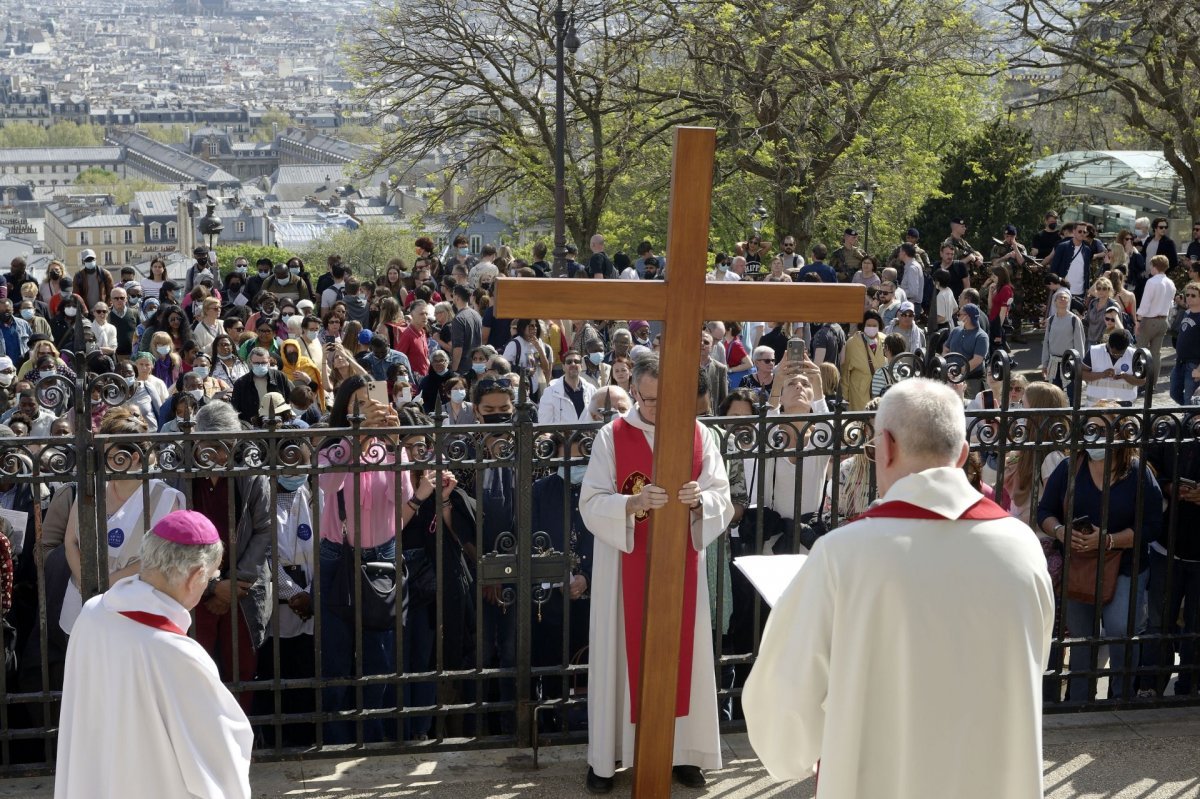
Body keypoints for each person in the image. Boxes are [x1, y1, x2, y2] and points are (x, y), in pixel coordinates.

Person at [744, 378, 1054, 799]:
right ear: (962, 455)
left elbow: (787, 695)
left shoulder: (842, 554)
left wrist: (801, 747)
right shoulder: (1023, 547)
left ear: (884, 446)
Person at [578, 354, 733, 793]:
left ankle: (684, 754)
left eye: (661, 401)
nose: (651, 408)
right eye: (645, 399)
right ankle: (607, 758)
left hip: (680, 565)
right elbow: (590, 502)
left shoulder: (700, 435)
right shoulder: (612, 435)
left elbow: (722, 494)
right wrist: (631, 504)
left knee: (684, 656)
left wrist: (699, 499)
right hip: (624, 567)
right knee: (620, 658)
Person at [55, 510, 252, 799]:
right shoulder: (178, 654)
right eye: (212, 577)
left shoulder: (92, 613)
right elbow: (218, 760)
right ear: (196, 576)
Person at [1038, 401, 1161, 700]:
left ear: (1118, 433)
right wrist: (1061, 531)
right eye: (1090, 429)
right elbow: (1045, 511)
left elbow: (1152, 526)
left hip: (1125, 565)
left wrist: (1108, 540)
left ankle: (1121, 698)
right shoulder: (1070, 467)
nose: (1094, 437)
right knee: (1082, 638)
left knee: (1120, 630)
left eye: (1102, 429)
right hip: (1079, 565)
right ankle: (1080, 700)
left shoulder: (1138, 473)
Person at [1136, 254, 1176, 391]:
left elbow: (1145, 303)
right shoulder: (1170, 283)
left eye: (1152, 265)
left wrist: (1138, 319)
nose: (1150, 268)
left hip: (1149, 320)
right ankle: (1152, 384)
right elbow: (1171, 304)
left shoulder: (1152, 282)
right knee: (1156, 354)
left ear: (1155, 266)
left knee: (1140, 351)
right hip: (1163, 320)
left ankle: (1141, 382)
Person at [1081, 329, 1145, 406]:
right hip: (1096, 405)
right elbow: (1082, 374)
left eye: (1121, 354)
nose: (1117, 356)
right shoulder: (1094, 351)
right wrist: (1102, 374)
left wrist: (1125, 376)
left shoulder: (1134, 355)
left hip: (1125, 406)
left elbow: (1142, 381)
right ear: (1109, 345)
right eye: (1114, 353)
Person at [231, 347, 295, 424]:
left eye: (263, 363)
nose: (260, 365)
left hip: (277, 422)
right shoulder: (241, 383)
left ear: (269, 362)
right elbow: (235, 409)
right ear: (250, 362)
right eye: (257, 363)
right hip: (252, 425)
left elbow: (289, 400)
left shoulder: (280, 377)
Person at [538, 349, 597, 425]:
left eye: (576, 362)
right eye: (569, 362)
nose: (573, 364)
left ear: (581, 366)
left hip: (587, 436)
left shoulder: (591, 390)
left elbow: (597, 418)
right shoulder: (550, 392)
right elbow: (544, 425)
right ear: (563, 367)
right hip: (561, 436)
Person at [1041, 288, 1085, 388]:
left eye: (1065, 298)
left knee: (1072, 395)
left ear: (1068, 301)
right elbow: (1046, 343)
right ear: (1055, 301)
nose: (1062, 299)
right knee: (1055, 395)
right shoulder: (1051, 320)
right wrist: (1045, 364)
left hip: (1070, 363)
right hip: (1053, 364)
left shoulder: (1074, 320)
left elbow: (1080, 344)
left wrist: (1079, 365)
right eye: (1060, 297)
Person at [842, 311, 885, 411]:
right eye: (868, 325)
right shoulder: (852, 343)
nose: (871, 328)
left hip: (880, 389)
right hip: (859, 390)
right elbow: (845, 371)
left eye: (874, 325)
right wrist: (845, 396)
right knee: (860, 421)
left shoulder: (884, 339)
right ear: (863, 325)